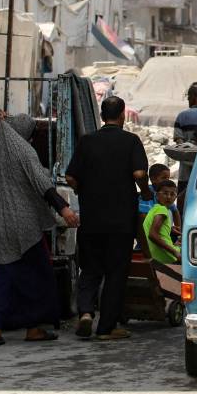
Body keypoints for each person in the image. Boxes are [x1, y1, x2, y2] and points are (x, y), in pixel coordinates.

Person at [0, 112, 80, 347]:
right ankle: (34, 328)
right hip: (24, 225)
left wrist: (2, 121)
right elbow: (43, 185)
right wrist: (65, 210)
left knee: (2, 277)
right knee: (38, 276)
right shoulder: (25, 152)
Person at [67, 96, 150, 341]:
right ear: (123, 115)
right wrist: (144, 190)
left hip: (91, 219)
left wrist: (84, 189)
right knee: (115, 273)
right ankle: (106, 327)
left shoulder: (86, 141)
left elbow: (71, 177)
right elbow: (138, 172)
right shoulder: (131, 141)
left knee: (90, 269)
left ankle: (85, 313)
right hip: (120, 221)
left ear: (102, 115)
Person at [172, 82, 197, 192]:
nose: (187, 100)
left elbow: (179, 141)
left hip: (185, 173)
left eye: (188, 96)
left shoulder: (182, 116)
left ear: (193, 97)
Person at [142, 179, 182, 264]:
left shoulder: (154, 209)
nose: (168, 197)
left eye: (172, 194)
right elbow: (152, 235)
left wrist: (170, 229)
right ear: (156, 195)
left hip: (157, 255)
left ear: (175, 197)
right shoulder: (162, 209)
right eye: (165, 193)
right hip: (168, 256)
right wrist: (175, 252)